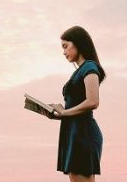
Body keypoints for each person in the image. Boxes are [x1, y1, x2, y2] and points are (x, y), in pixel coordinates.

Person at [50, 26, 107, 182]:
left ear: (78, 43)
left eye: (65, 46)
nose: (63, 52)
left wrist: (64, 112)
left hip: (84, 133)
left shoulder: (90, 67)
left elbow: (93, 101)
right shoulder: (81, 70)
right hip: (75, 132)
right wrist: (59, 114)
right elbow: (75, 108)